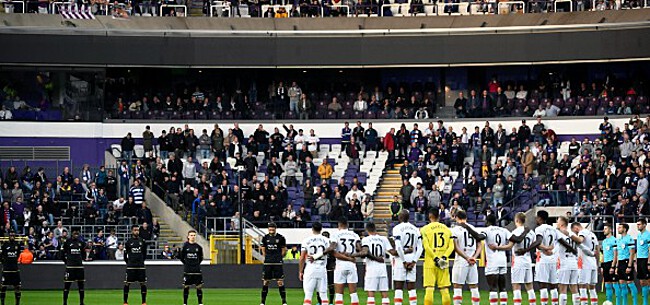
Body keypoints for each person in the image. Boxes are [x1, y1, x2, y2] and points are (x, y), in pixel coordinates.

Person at [489, 213, 537, 305]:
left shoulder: (515, 232)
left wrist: (497, 247)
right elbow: (534, 244)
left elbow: (509, 246)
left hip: (518, 260)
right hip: (528, 261)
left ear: (517, 220)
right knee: (530, 287)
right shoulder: (531, 232)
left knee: (516, 286)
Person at [421, 208, 454, 305]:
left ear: (430, 216)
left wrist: (435, 258)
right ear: (439, 217)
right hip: (443, 262)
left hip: (430, 261)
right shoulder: (447, 229)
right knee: (444, 288)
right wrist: (444, 257)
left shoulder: (424, 229)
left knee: (430, 288)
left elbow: (426, 246)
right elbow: (451, 246)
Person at [358, 222, 397, 305]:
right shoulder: (383, 239)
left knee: (371, 293)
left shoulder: (365, 239)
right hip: (382, 268)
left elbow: (364, 253)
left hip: (371, 267)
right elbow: (392, 251)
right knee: (384, 293)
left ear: (367, 229)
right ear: (375, 228)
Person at [326, 217, 361, 305]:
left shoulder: (335, 235)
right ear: (347, 225)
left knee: (339, 294)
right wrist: (351, 255)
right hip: (352, 265)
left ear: (339, 225)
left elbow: (332, 248)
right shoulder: (354, 235)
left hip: (340, 265)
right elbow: (359, 249)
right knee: (353, 293)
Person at [451, 210, 483, 305]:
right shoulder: (473, 228)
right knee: (474, 286)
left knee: (457, 286)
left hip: (462, 259)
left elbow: (455, 247)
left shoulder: (455, 229)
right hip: (472, 260)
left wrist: (466, 258)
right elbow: (480, 245)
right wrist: (474, 257)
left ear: (456, 218)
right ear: (466, 218)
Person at [391, 210, 423, 305]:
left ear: (400, 217)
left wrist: (404, 261)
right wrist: (414, 261)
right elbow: (420, 248)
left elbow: (399, 247)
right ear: (409, 218)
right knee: (411, 287)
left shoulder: (397, 228)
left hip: (401, 259)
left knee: (398, 286)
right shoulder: (416, 229)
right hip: (412, 257)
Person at [482, 214, 511, 305]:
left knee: (493, 288)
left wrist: (468, 228)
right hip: (503, 260)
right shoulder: (504, 230)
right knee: (502, 288)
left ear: (487, 221)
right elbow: (515, 239)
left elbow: (479, 237)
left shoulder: (486, 230)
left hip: (492, 261)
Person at [298, 222, 330, 305]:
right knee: (323, 295)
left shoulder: (306, 240)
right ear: (321, 229)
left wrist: (300, 271)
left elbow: (302, 258)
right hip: (322, 269)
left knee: (308, 295)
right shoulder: (326, 240)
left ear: (312, 229)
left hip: (310, 268)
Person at [533, 211, 560, 305]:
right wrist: (552, 251)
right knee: (553, 285)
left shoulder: (539, 229)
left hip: (543, 258)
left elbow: (538, 242)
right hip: (552, 259)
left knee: (542, 284)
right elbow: (559, 242)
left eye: (537, 217)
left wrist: (545, 248)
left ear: (540, 218)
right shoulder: (553, 229)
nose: (536, 219)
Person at [570, 222, 599, 305]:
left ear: (576, 228)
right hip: (593, 263)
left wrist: (571, 235)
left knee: (582, 286)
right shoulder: (592, 234)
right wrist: (597, 264)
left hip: (585, 263)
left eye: (575, 232)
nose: (576, 234)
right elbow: (597, 249)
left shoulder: (582, 233)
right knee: (592, 288)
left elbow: (580, 240)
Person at [555, 217, 581, 305]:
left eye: (557, 222)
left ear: (561, 224)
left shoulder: (558, 234)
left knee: (562, 288)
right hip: (573, 262)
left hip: (564, 262)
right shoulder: (572, 234)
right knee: (574, 287)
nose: (556, 223)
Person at [260, 222, 288, 305]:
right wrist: (267, 257)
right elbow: (263, 249)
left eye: (273, 228)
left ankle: (284, 301)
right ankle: (262, 302)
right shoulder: (265, 238)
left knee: (280, 282)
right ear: (268, 229)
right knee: (266, 281)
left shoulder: (281, 238)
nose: (271, 230)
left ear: (275, 229)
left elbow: (283, 250)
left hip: (277, 262)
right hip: (268, 262)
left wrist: (279, 257)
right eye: (270, 228)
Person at [123, 225, 148, 305]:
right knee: (127, 283)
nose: (136, 231)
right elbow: (125, 255)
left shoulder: (142, 241)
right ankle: (125, 302)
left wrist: (141, 261)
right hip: (131, 266)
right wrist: (129, 262)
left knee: (143, 283)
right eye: (135, 230)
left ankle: (143, 302)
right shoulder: (128, 242)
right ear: (132, 231)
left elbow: (144, 253)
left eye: (137, 230)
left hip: (140, 266)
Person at [615, 223, 638, 305]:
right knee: (622, 284)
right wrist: (617, 266)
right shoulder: (619, 240)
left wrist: (629, 265)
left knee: (630, 283)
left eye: (620, 227)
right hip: (620, 263)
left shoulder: (629, 239)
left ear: (624, 229)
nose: (618, 229)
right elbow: (618, 254)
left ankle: (635, 303)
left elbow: (632, 253)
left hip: (626, 262)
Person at [62, 229, 86, 305]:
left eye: (77, 234)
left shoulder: (81, 243)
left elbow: (84, 253)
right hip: (70, 267)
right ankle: (65, 302)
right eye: (75, 233)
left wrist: (82, 259)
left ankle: (82, 302)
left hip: (79, 267)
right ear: (72, 234)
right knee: (67, 286)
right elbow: (62, 253)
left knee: (81, 286)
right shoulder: (67, 242)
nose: (76, 235)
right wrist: (67, 262)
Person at [180, 230, 204, 305]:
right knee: (186, 286)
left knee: (199, 287)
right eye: (191, 235)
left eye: (194, 235)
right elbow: (181, 257)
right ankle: (185, 303)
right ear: (188, 236)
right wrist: (187, 264)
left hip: (196, 270)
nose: (193, 237)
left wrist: (196, 264)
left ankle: (200, 303)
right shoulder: (185, 247)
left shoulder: (198, 247)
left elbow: (200, 258)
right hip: (188, 270)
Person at [0, 232, 22, 305]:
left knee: (17, 286)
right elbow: (2, 255)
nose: (12, 236)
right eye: (11, 235)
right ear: (9, 236)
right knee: (3, 287)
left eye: (13, 235)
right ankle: (2, 303)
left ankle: (17, 303)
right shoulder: (5, 245)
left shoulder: (17, 245)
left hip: (15, 269)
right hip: (6, 269)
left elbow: (18, 254)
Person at [601, 223, 619, 304]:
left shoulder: (614, 240)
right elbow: (604, 254)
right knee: (607, 285)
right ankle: (609, 302)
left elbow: (616, 254)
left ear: (610, 230)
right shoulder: (604, 241)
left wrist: (613, 266)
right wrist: (602, 265)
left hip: (612, 263)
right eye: (604, 229)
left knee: (615, 283)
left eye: (605, 229)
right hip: (605, 264)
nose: (603, 230)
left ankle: (618, 302)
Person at [636, 218, 650, 305]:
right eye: (637, 224)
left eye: (639, 224)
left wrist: (649, 262)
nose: (638, 226)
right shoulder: (639, 235)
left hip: (645, 259)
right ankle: (645, 303)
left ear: (644, 225)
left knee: (648, 280)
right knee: (642, 281)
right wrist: (635, 261)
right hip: (639, 259)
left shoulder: (648, 235)